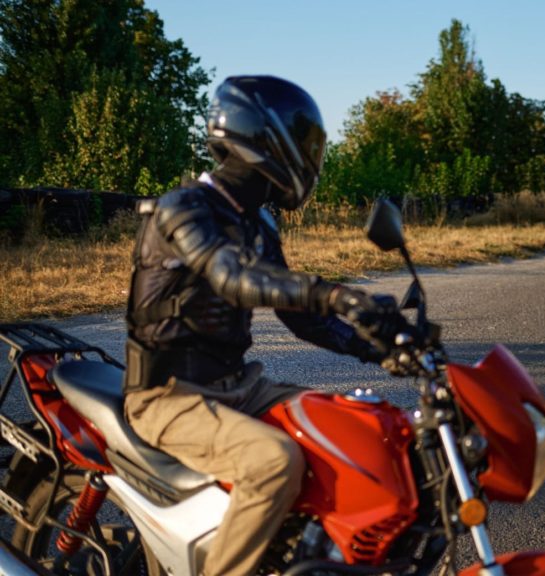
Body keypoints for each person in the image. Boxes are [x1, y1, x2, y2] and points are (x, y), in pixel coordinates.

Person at [122, 75, 405, 576]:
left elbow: (304, 321)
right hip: (168, 396)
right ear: (263, 140)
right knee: (273, 462)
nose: (310, 157)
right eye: (303, 144)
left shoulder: (259, 220)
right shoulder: (182, 208)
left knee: (352, 425)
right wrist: (337, 293)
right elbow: (233, 276)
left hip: (237, 387)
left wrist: (383, 348)